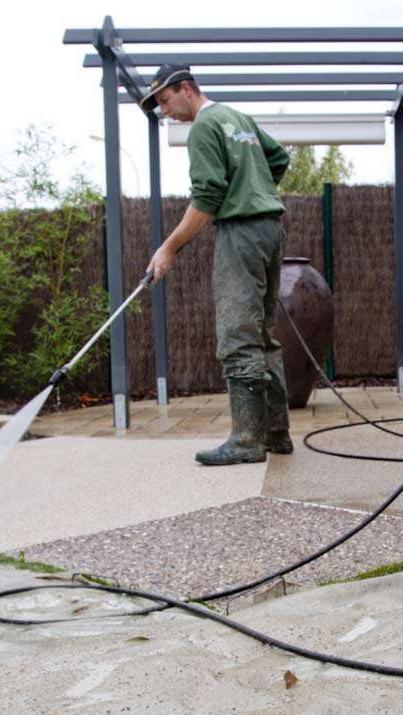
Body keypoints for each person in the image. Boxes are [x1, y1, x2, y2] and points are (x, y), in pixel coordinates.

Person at [143, 64, 292, 466]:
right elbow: (277, 159)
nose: (164, 111)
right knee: (263, 335)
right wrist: (255, 186)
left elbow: (207, 196)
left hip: (242, 233)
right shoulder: (237, 118)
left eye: (165, 100)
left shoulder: (204, 127)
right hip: (270, 229)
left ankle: (246, 439)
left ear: (186, 88)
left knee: (237, 333)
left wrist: (169, 247)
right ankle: (276, 433)